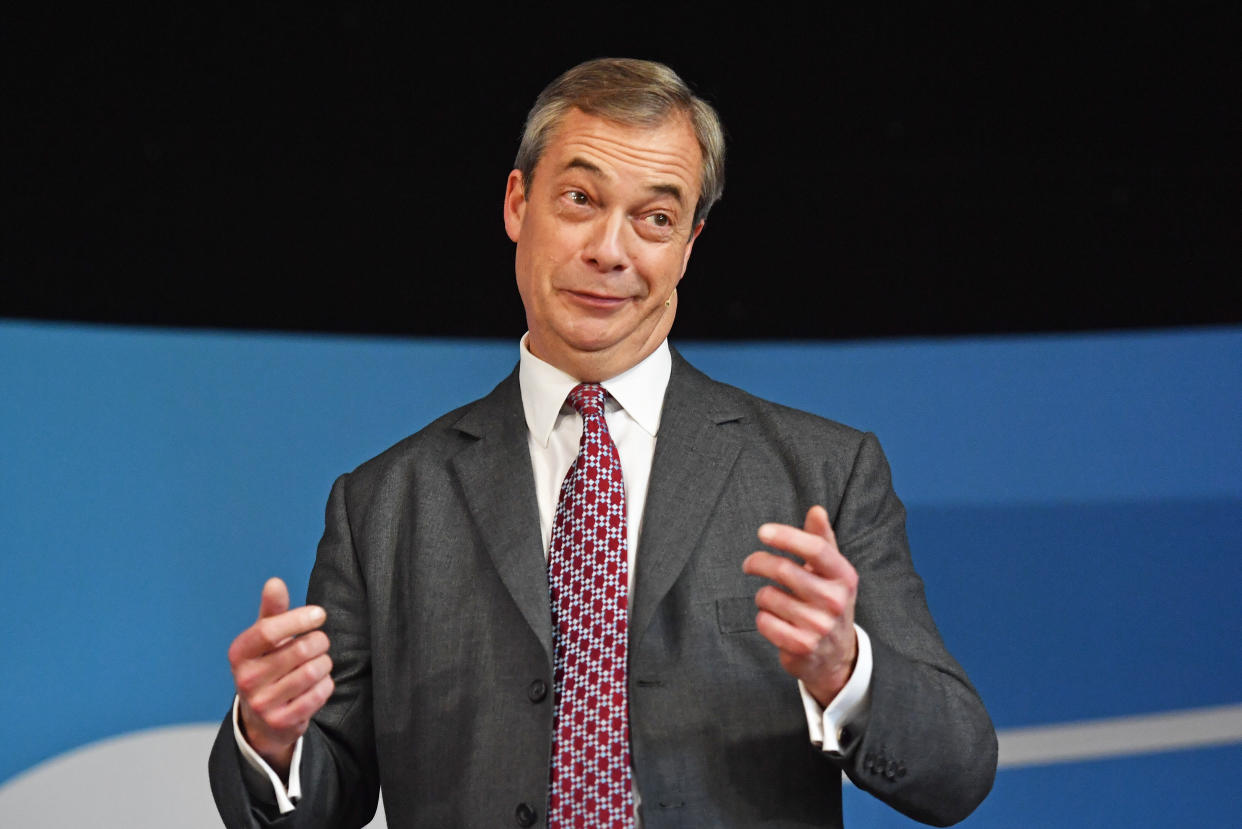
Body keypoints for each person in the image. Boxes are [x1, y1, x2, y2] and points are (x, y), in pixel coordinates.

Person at [209, 57, 997, 828]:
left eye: (655, 217)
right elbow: (316, 800)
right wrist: (272, 739)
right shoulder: (383, 504)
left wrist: (842, 669)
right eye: (580, 199)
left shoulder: (822, 472)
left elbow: (957, 772)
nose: (611, 251)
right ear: (519, 203)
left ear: (689, 241)